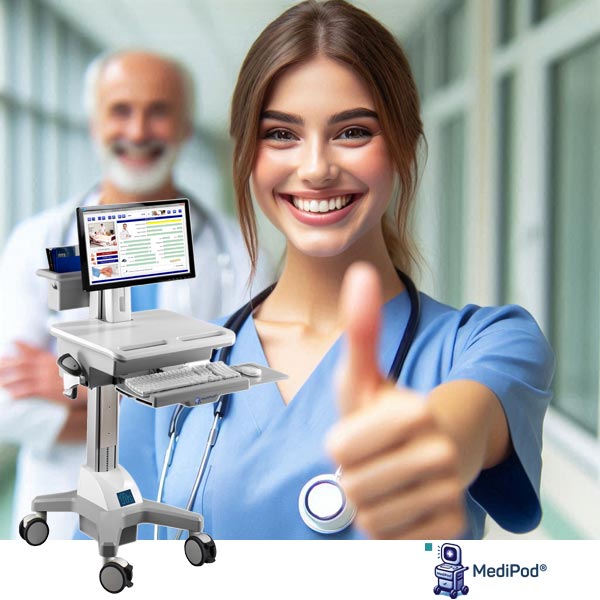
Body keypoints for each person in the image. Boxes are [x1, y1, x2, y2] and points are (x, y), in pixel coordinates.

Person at [121, 0, 554, 540]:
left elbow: (462, 426)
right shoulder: (173, 367)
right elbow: (108, 552)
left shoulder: (488, 344)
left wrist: (429, 447)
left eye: (352, 132)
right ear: (247, 155)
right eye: (281, 134)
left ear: (402, 143)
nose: (316, 167)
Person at [0, 50, 274, 540]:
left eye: (160, 110)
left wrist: (83, 388)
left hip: (192, 500)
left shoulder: (239, 249)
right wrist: (165, 395)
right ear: (93, 123)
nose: (139, 128)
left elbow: (251, 404)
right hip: (65, 515)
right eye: (121, 109)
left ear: (187, 126)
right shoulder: (34, 241)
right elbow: (6, 407)